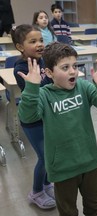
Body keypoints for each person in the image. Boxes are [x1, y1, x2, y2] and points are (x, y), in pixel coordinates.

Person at [18, 41, 97, 216]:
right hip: (62, 168)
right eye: (65, 67)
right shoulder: (44, 95)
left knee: (93, 204)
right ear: (49, 72)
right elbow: (27, 116)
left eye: (75, 66)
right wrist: (31, 88)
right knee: (68, 210)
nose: (73, 71)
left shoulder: (84, 87)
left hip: (89, 162)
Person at [11, 24, 55, 209]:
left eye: (41, 40)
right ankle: (36, 192)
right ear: (20, 46)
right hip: (32, 119)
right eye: (33, 41)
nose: (39, 44)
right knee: (44, 157)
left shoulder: (43, 60)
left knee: (51, 154)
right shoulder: (21, 67)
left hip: (47, 114)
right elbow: (35, 91)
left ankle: (46, 184)